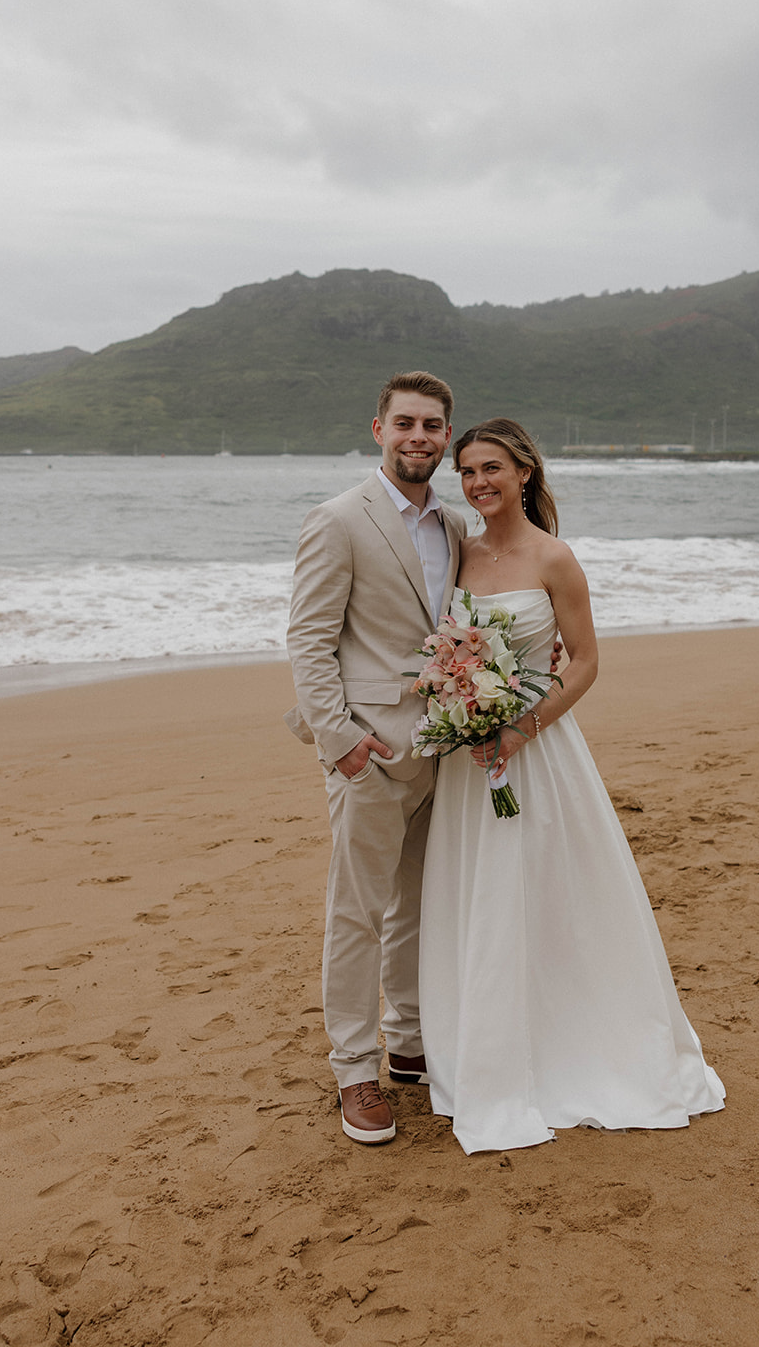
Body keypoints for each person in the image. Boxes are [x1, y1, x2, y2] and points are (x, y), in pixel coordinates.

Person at [418, 418, 726, 1154]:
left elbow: (584, 661)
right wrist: (460, 705)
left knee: (554, 898)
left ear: (524, 472)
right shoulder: (457, 552)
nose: (477, 483)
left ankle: (574, 1044)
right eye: (465, 473)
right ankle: (483, 1051)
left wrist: (518, 729)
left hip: (535, 751)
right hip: (469, 764)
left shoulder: (554, 558)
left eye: (490, 468)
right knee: (482, 897)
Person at [285, 370, 466, 1144]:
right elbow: (309, 638)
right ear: (378, 430)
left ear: (445, 437)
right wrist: (341, 742)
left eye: (431, 425)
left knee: (419, 906)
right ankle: (355, 1071)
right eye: (405, 424)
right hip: (369, 751)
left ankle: (409, 1041)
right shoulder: (338, 520)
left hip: (443, 749)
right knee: (357, 912)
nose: (417, 437)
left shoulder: (456, 528)